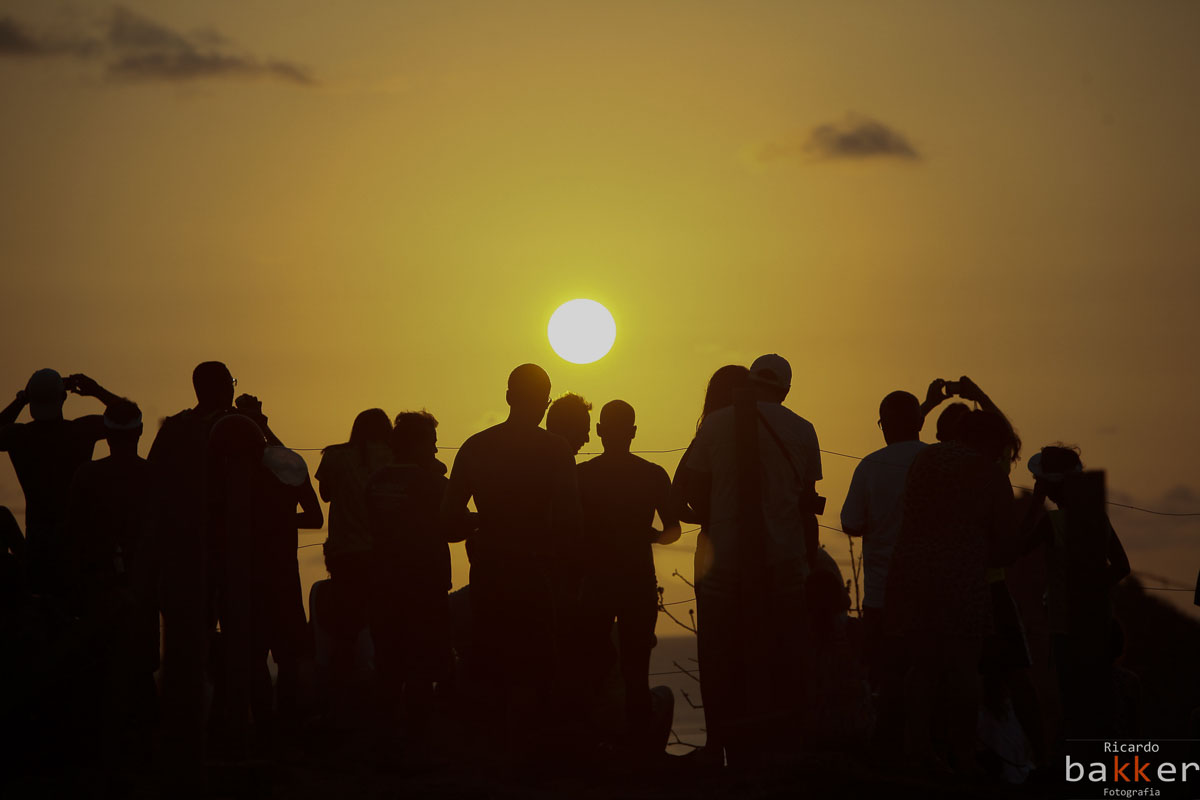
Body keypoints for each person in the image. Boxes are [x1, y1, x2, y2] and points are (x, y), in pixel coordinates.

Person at [673, 354, 822, 765]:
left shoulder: (717, 423)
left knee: (718, 656)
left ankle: (718, 743)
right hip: (785, 564)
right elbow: (807, 504)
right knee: (782, 655)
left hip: (722, 564)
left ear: (751, 381)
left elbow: (686, 485)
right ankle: (781, 746)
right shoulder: (803, 429)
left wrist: (710, 515)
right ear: (786, 389)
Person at [441, 364, 581, 757]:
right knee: (538, 667)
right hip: (538, 571)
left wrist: (483, 523)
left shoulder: (475, 447)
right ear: (545, 401)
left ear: (508, 397)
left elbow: (448, 522)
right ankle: (531, 755)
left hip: (490, 569)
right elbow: (571, 522)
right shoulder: (554, 449)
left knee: (490, 662)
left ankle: (490, 753)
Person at [884, 410, 1013, 774]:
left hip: (914, 574)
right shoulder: (987, 471)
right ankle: (964, 755)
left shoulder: (926, 458)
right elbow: (1005, 541)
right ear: (988, 441)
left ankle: (918, 750)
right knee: (962, 670)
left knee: (922, 667)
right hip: (962, 577)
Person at [147, 361, 237, 782]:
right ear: (221, 388)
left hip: (179, 552)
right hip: (218, 553)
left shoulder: (175, 429)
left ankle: (184, 733)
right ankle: (212, 732)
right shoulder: (233, 428)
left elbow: (153, 485)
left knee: (184, 649)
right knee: (224, 645)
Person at [576, 400, 680, 752]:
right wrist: (645, 535)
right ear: (633, 432)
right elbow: (672, 530)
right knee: (637, 670)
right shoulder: (652, 475)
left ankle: (592, 745)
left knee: (592, 666)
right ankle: (638, 750)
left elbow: (571, 529)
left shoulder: (583, 475)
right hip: (636, 579)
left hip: (597, 581)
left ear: (600, 431)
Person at [64, 399, 159, 779]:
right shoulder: (153, 477)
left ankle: (101, 758)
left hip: (98, 588)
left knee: (99, 672)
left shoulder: (87, 476)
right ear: (138, 433)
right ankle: (142, 758)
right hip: (141, 589)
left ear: (106, 435)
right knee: (140, 673)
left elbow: (73, 535)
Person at [366, 411, 464, 745]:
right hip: (425, 585)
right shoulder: (434, 484)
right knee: (423, 664)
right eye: (433, 444)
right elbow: (453, 527)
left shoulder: (376, 481)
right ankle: (417, 740)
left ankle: (384, 738)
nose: (436, 451)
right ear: (418, 443)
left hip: (382, 584)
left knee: (389, 665)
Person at [1020, 444, 1129, 739]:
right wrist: (1092, 593)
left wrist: (1034, 503)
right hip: (1098, 621)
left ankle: (1072, 766)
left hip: (1064, 625)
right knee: (1098, 700)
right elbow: (1121, 566)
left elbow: (1013, 549)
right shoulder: (1098, 520)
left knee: (1071, 699)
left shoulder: (1050, 523)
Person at [0, 369, 124, 595]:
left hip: (36, 543)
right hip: (75, 542)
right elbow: (127, 417)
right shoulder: (80, 431)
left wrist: (20, 400)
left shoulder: (18, 436)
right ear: (63, 398)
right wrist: (95, 390)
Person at [314, 409, 394, 677]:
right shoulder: (393, 458)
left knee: (346, 625)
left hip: (344, 553)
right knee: (382, 624)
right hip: (381, 553)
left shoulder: (335, 456)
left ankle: (344, 686)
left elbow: (325, 494)